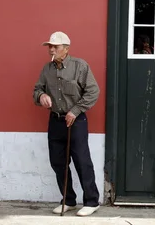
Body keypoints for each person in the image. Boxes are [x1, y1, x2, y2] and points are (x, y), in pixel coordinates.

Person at [32, 31, 101, 217]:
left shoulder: (80, 66)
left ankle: (92, 201)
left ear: (66, 49)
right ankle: (68, 200)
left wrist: (75, 111)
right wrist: (42, 96)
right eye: (50, 46)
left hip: (76, 121)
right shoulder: (47, 69)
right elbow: (37, 89)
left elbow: (93, 92)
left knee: (82, 161)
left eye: (55, 46)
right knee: (58, 162)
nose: (51, 49)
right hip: (55, 121)